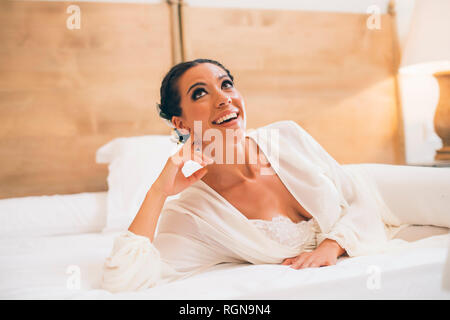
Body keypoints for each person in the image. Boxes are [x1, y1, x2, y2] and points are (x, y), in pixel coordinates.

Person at [101, 58, 450, 293]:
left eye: (226, 84)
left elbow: (355, 196)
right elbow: (123, 280)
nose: (224, 99)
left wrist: (333, 244)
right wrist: (158, 193)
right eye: (200, 93)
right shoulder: (194, 214)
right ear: (179, 123)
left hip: (375, 192)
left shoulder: (286, 135)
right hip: (374, 230)